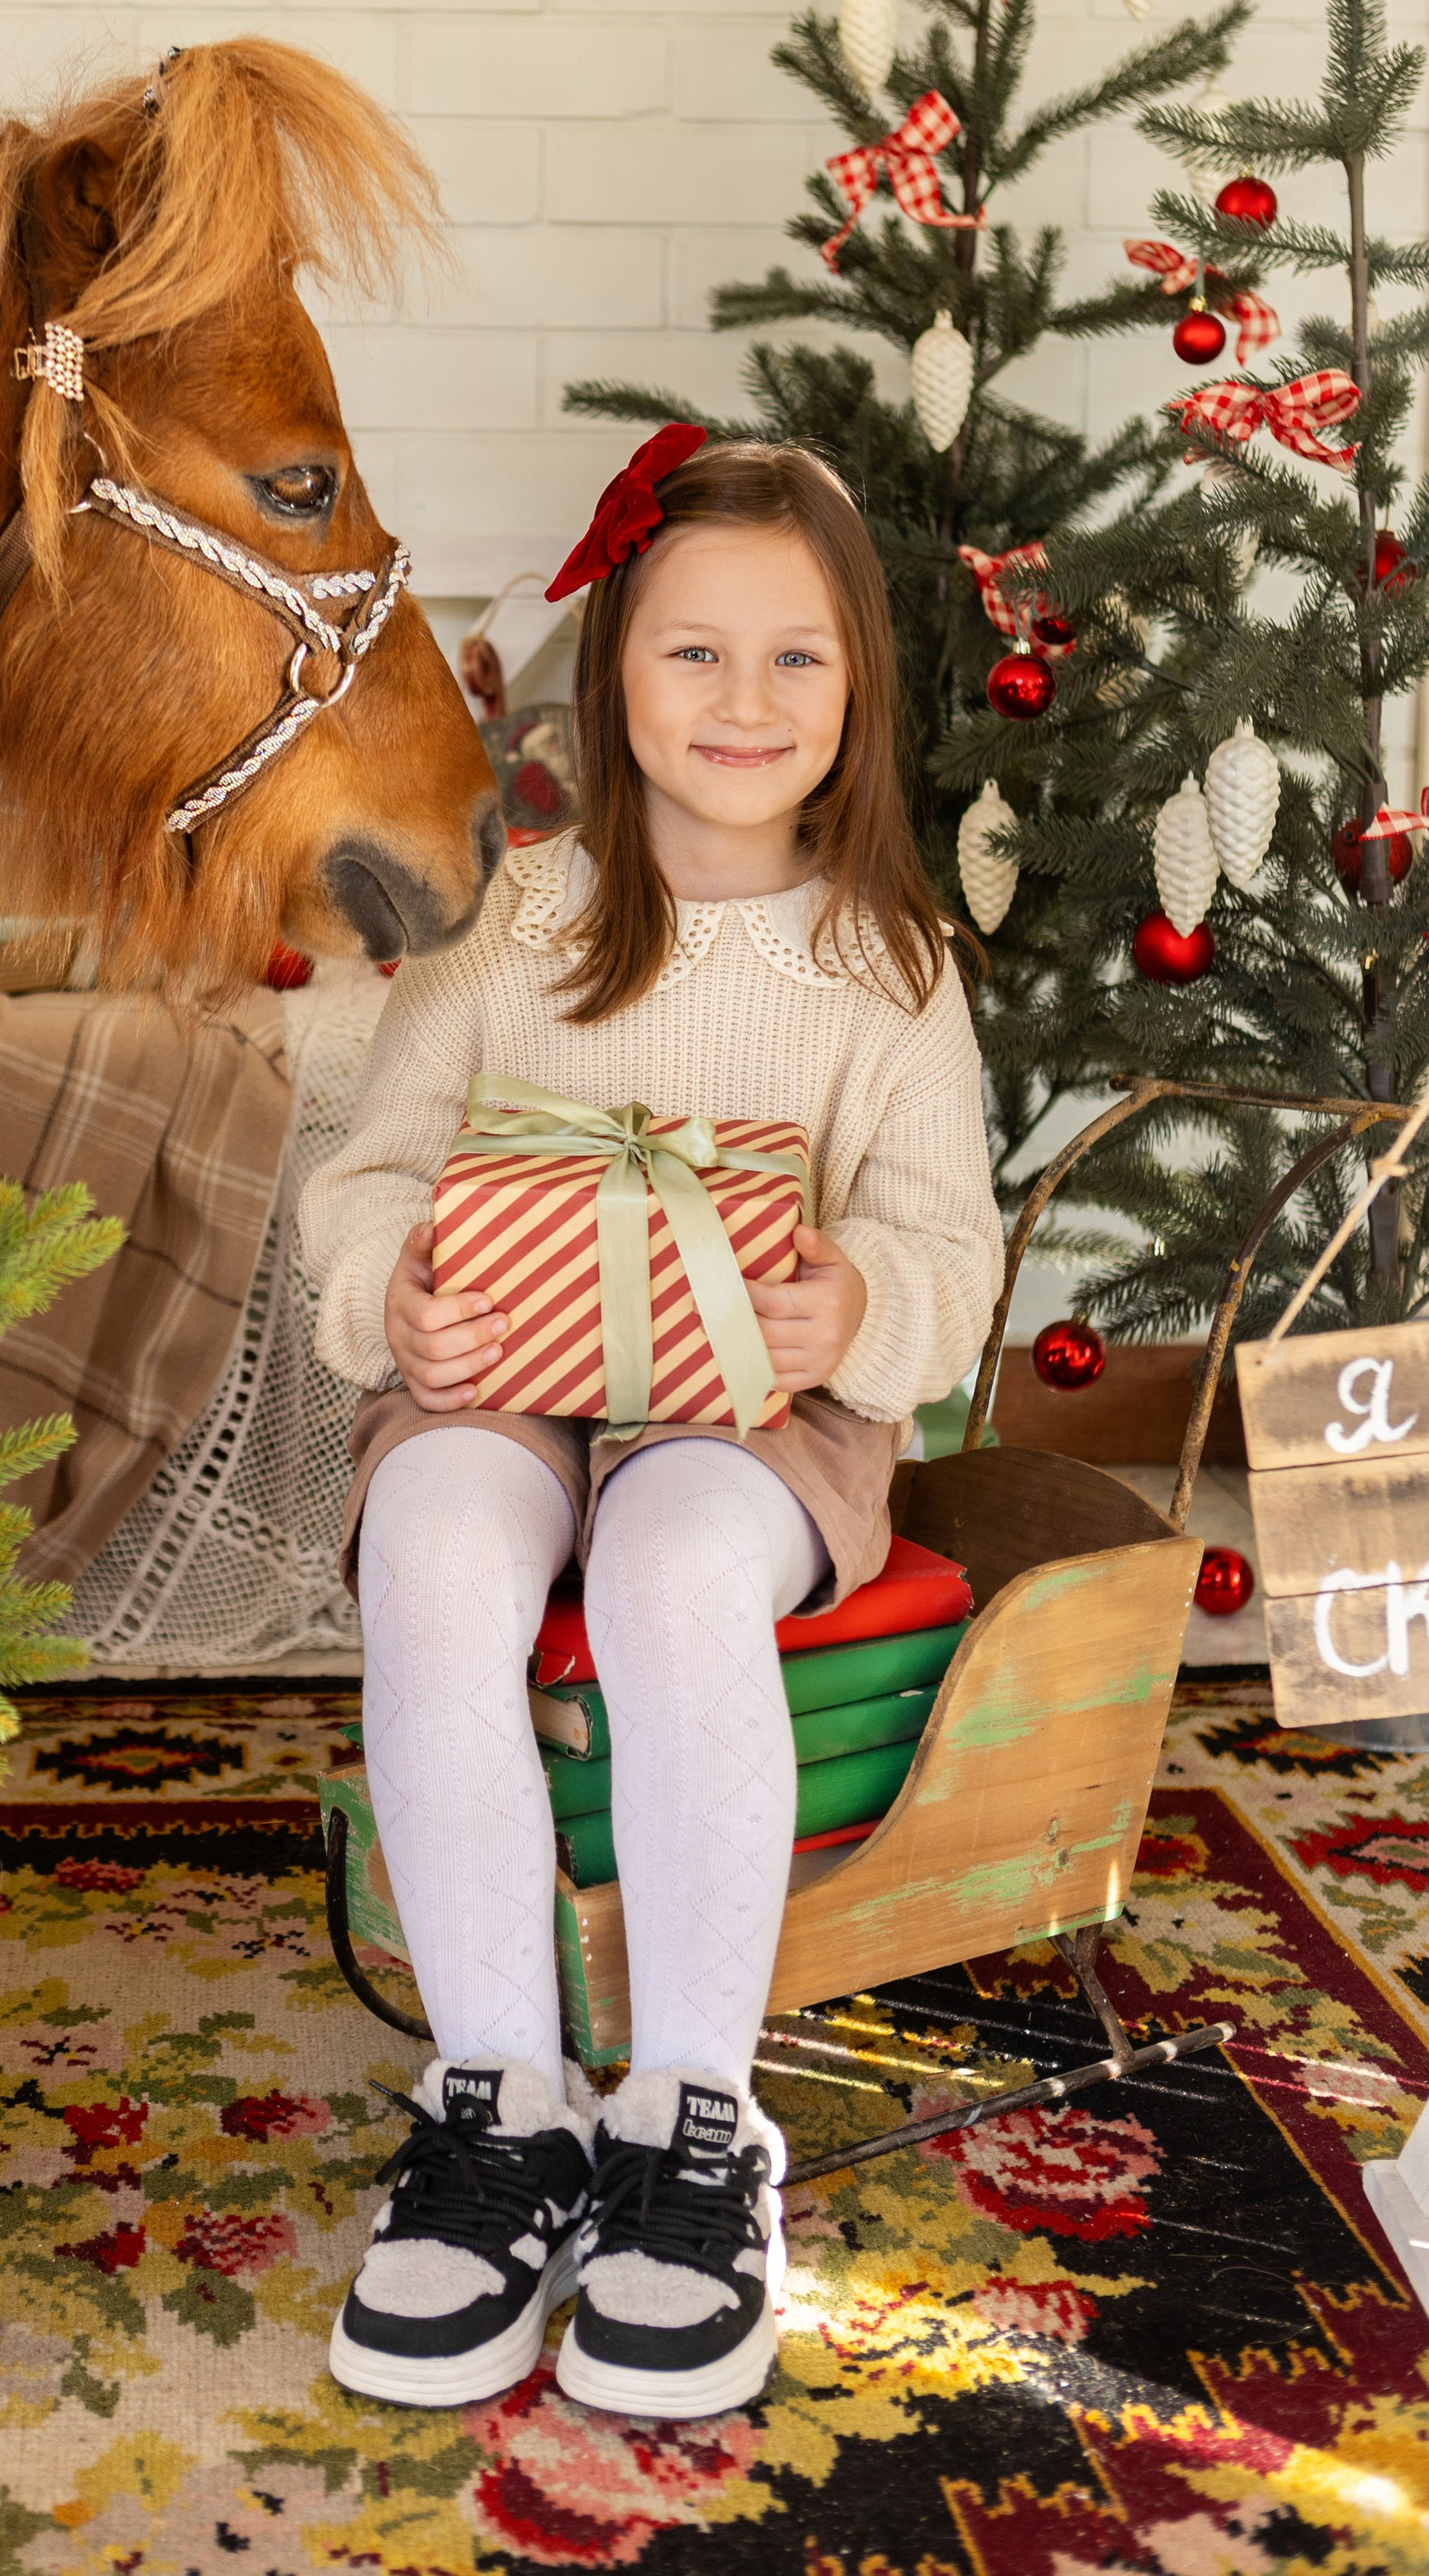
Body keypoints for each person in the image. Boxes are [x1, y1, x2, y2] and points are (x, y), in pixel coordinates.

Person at [300, 430, 1003, 2421]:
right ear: (613, 675)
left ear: (856, 686)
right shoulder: (520, 923)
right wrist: (393, 1293)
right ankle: (501, 2103)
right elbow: (366, 1180)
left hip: (763, 1413)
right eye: (692, 655)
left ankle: (689, 2119)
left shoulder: (884, 965)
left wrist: (856, 1300)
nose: (742, 704)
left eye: (794, 660)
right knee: (435, 1543)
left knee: (673, 1557)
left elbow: (944, 1247)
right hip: (508, 1368)